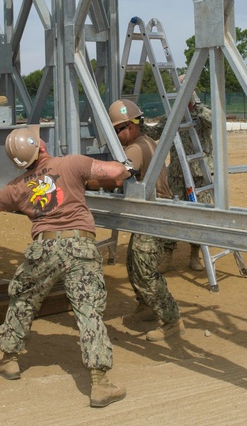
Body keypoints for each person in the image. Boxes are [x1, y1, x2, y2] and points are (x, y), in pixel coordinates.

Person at [0, 126, 129, 408]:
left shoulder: (17, 187)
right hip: (81, 245)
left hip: (44, 248)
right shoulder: (71, 163)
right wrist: (126, 167)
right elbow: (113, 173)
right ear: (40, 146)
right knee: (88, 310)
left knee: (23, 299)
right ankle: (100, 383)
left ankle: (10, 361)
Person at [88, 99, 186, 342]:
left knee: (144, 269)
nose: (116, 135)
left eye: (117, 130)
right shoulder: (146, 142)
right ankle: (146, 307)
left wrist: (86, 180)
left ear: (130, 126)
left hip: (154, 214)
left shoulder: (135, 148)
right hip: (148, 213)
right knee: (133, 261)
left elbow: (119, 178)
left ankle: (172, 320)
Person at [144, 84, 211, 272]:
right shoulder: (171, 116)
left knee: (199, 215)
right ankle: (167, 255)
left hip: (199, 174)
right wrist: (137, 123)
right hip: (177, 173)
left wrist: (195, 105)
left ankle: (195, 254)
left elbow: (213, 120)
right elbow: (154, 133)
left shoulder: (202, 114)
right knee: (172, 213)